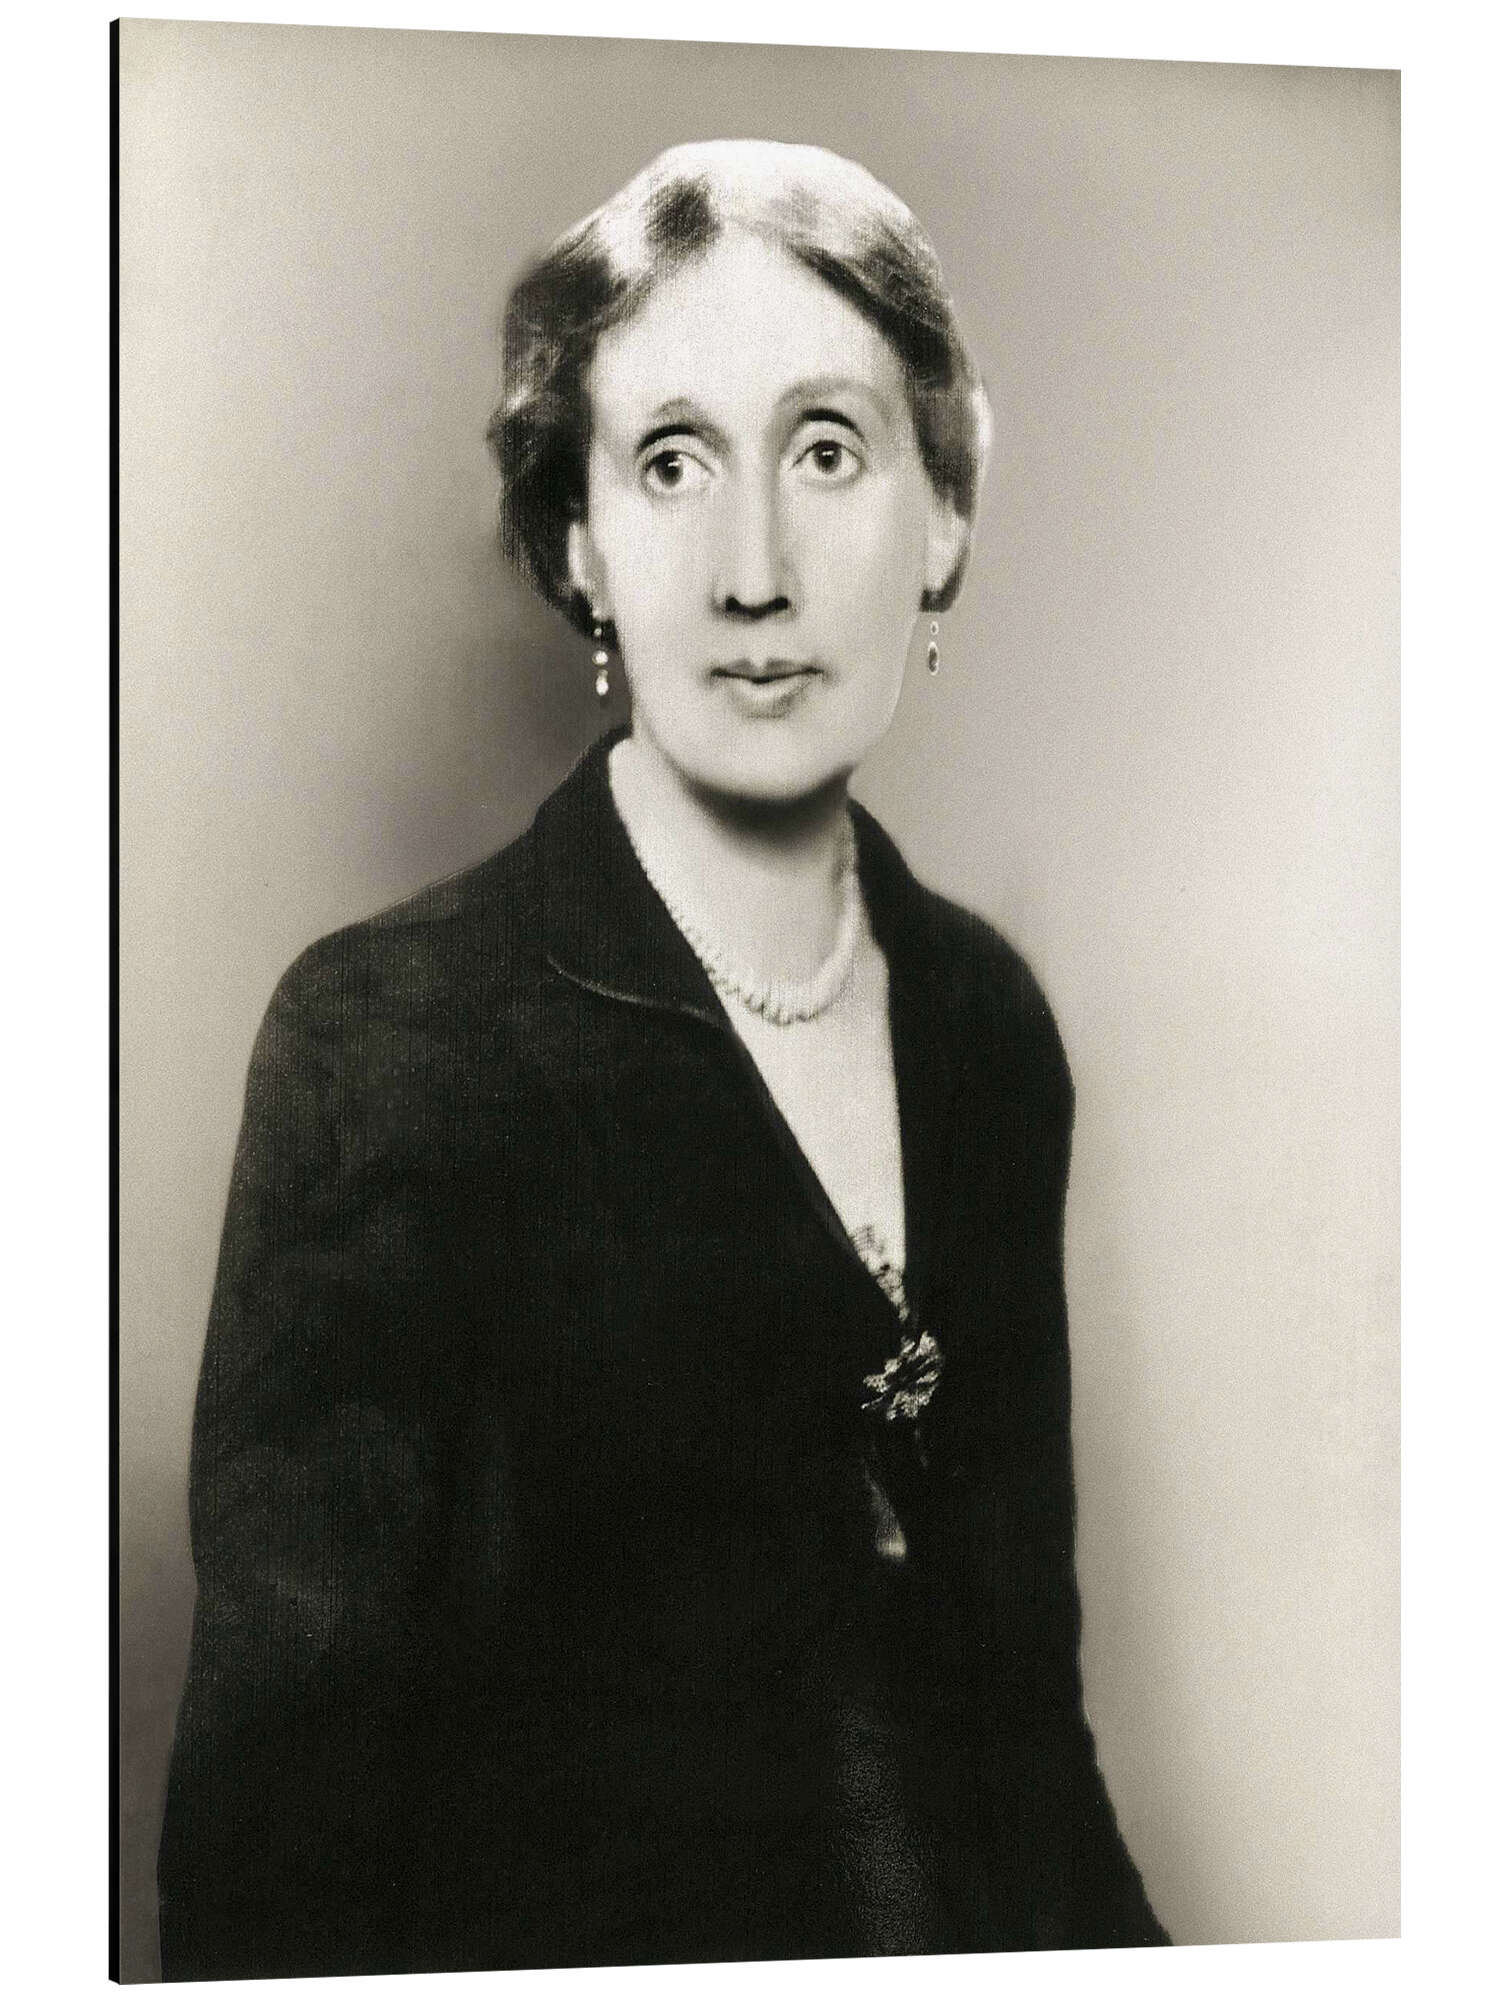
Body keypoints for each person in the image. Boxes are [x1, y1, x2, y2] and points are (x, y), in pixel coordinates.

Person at [157, 140, 1168, 1979]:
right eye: (674, 463)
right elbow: (269, 1884)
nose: (756, 572)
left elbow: (1027, 1741)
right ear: (579, 543)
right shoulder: (392, 1046)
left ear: (945, 517)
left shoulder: (985, 1027)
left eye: (829, 451)